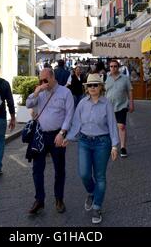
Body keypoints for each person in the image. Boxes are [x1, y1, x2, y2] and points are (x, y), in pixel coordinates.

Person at [63, 74, 119, 224]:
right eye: (90, 85)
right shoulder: (82, 103)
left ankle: (97, 206)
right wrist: (68, 137)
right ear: (86, 88)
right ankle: (92, 192)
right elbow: (76, 123)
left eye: (95, 85)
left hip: (102, 142)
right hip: (84, 141)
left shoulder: (106, 103)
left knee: (100, 176)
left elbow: (113, 124)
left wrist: (114, 145)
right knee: (84, 174)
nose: (92, 88)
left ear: (101, 87)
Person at [26, 67, 74, 215]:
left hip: (57, 135)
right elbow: (28, 104)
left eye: (45, 80)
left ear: (53, 78)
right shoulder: (40, 92)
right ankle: (39, 200)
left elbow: (69, 114)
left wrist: (62, 132)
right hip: (40, 135)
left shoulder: (65, 92)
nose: (43, 82)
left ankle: (59, 198)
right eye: (40, 80)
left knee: (59, 169)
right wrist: (37, 91)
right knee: (37, 169)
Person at [105, 59, 134, 158]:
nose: (113, 68)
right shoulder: (105, 77)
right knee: (109, 127)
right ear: (109, 67)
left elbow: (130, 91)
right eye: (111, 66)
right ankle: (112, 145)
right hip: (108, 107)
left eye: (115, 66)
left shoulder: (125, 78)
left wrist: (131, 103)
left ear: (118, 67)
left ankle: (123, 147)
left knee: (121, 126)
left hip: (121, 105)